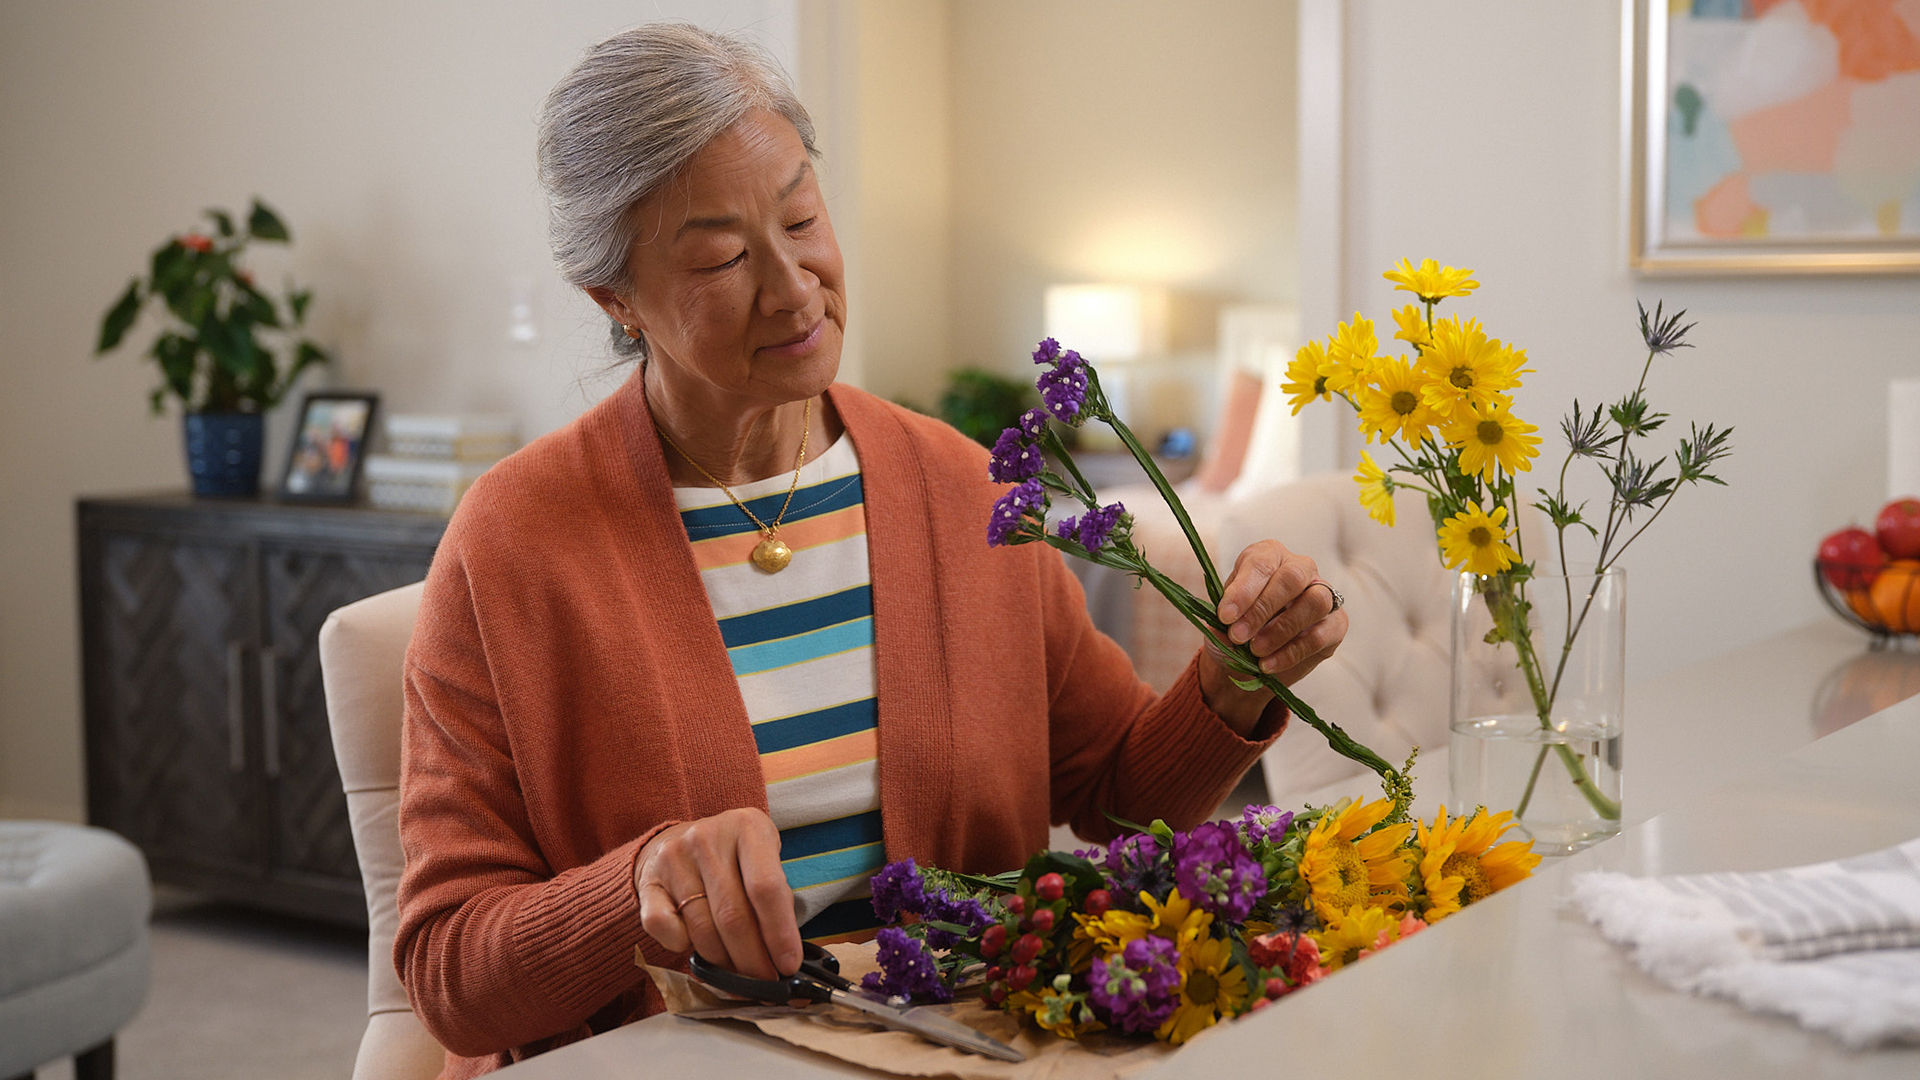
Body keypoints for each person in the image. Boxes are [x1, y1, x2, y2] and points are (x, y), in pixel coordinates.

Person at [392, 22, 1348, 1076]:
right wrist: (641, 885)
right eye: (722, 258)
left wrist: (1231, 681)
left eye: (802, 218)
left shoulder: (965, 488)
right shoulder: (513, 543)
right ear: (614, 300)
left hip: (961, 1043)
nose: (796, 287)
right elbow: (449, 975)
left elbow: (1118, 795)